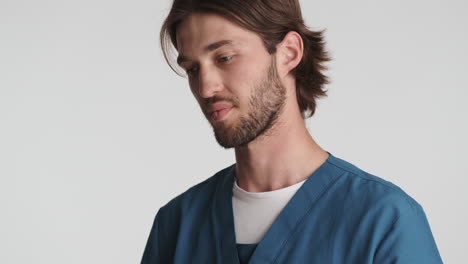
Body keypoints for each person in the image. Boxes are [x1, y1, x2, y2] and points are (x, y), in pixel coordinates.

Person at [141, 0, 443, 263]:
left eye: (224, 58)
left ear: (288, 53)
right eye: (192, 69)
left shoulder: (382, 221)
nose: (206, 87)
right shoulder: (177, 226)